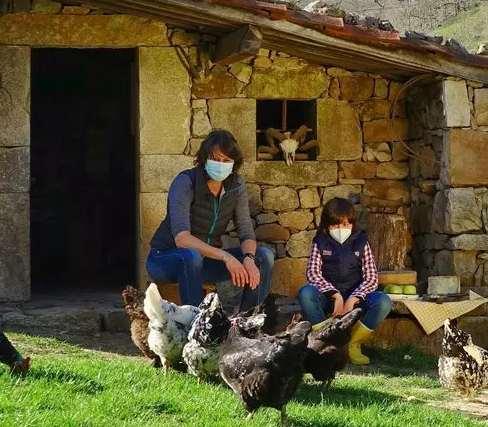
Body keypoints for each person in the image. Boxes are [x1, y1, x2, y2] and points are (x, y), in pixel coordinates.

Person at [146, 129, 275, 310]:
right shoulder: (185, 182)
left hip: (205, 262)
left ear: (234, 163)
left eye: (226, 160)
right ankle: (196, 324)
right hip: (165, 260)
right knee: (191, 256)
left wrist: (249, 257)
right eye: (215, 158)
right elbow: (182, 239)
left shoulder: (236, 186)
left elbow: (246, 232)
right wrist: (226, 257)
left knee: (264, 256)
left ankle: (249, 323)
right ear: (204, 158)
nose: (220, 164)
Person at [297, 197, 391, 365]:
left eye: (346, 224)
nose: (341, 228)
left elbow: (371, 277)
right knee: (305, 293)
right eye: (336, 225)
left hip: (355, 297)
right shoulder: (319, 242)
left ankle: (353, 344)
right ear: (327, 225)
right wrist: (335, 295)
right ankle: (327, 342)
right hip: (328, 298)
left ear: (353, 224)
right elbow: (313, 274)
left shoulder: (362, 242)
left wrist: (353, 299)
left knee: (383, 301)